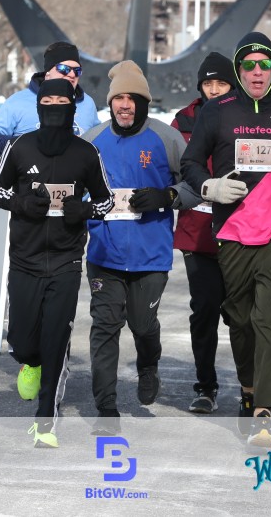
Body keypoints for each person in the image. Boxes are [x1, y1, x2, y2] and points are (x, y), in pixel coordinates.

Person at [181, 31, 271, 448]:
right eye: (249, 65)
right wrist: (209, 187)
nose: (257, 71)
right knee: (240, 320)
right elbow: (191, 162)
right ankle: (247, 388)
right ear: (239, 69)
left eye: (264, 64)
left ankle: (263, 412)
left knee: (268, 319)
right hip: (232, 231)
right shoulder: (218, 110)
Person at [0, 78, 114, 449]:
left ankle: (46, 421)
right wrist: (21, 203)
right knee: (23, 341)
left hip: (66, 260)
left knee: (56, 339)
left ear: (73, 106)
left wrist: (84, 210)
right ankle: (31, 361)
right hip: (24, 259)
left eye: (62, 100)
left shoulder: (86, 152)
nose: (55, 106)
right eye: (48, 100)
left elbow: (106, 201)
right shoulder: (19, 146)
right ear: (39, 105)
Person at [82, 61, 202, 433]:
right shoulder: (92, 140)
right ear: (110, 102)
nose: (125, 105)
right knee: (105, 326)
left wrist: (166, 196)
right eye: (118, 97)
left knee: (142, 324)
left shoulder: (167, 138)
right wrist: (83, 207)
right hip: (104, 253)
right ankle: (106, 409)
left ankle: (148, 366)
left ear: (144, 103)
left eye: (132, 98)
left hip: (150, 255)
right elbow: (74, 188)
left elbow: (195, 185)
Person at [171, 52, 235, 414]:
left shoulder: (246, 117)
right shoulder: (182, 121)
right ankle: (205, 385)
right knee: (205, 308)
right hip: (197, 231)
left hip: (240, 230)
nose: (213, 89)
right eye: (208, 83)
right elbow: (170, 170)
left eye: (221, 83)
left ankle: (250, 387)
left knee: (240, 312)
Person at [0, 41, 100, 157]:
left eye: (77, 70)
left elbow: (100, 141)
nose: (72, 74)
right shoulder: (18, 101)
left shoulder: (87, 103)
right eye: (64, 69)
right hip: (29, 170)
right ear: (48, 73)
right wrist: (27, 145)